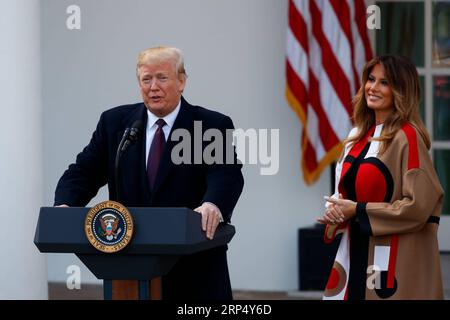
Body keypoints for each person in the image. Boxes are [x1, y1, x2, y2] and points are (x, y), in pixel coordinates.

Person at [54, 46, 244, 300]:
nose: (153, 86)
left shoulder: (210, 125)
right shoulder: (115, 123)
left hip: (194, 267)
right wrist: (65, 205)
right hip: (129, 265)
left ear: (182, 81)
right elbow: (83, 172)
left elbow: (226, 173)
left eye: (162, 78)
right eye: (146, 79)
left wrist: (213, 203)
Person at [317, 55, 444, 300]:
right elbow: (342, 195)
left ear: (400, 90)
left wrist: (358, 210)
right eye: (371, 79)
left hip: (393, 261)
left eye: (384, 82)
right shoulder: (355, 137)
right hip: (353, 253)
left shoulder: (407, 137)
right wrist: (336, 211)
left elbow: (419, 206)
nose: (372, 88)